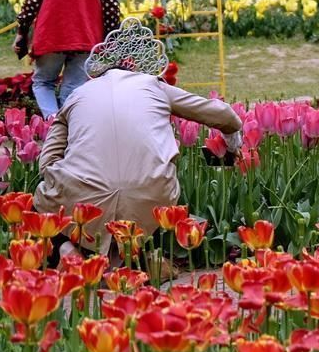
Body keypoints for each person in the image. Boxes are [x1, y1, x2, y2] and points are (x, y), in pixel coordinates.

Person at [33, 23, 243, 258]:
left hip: (82, 200)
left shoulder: (77, 95)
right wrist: (232, 140)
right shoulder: (152, 85)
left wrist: (59, 183)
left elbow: (47, 162)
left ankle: (65, 246)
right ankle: (138, 253)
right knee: (154, 192)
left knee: (41, 205)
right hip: (151, 195)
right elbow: (224, 115)